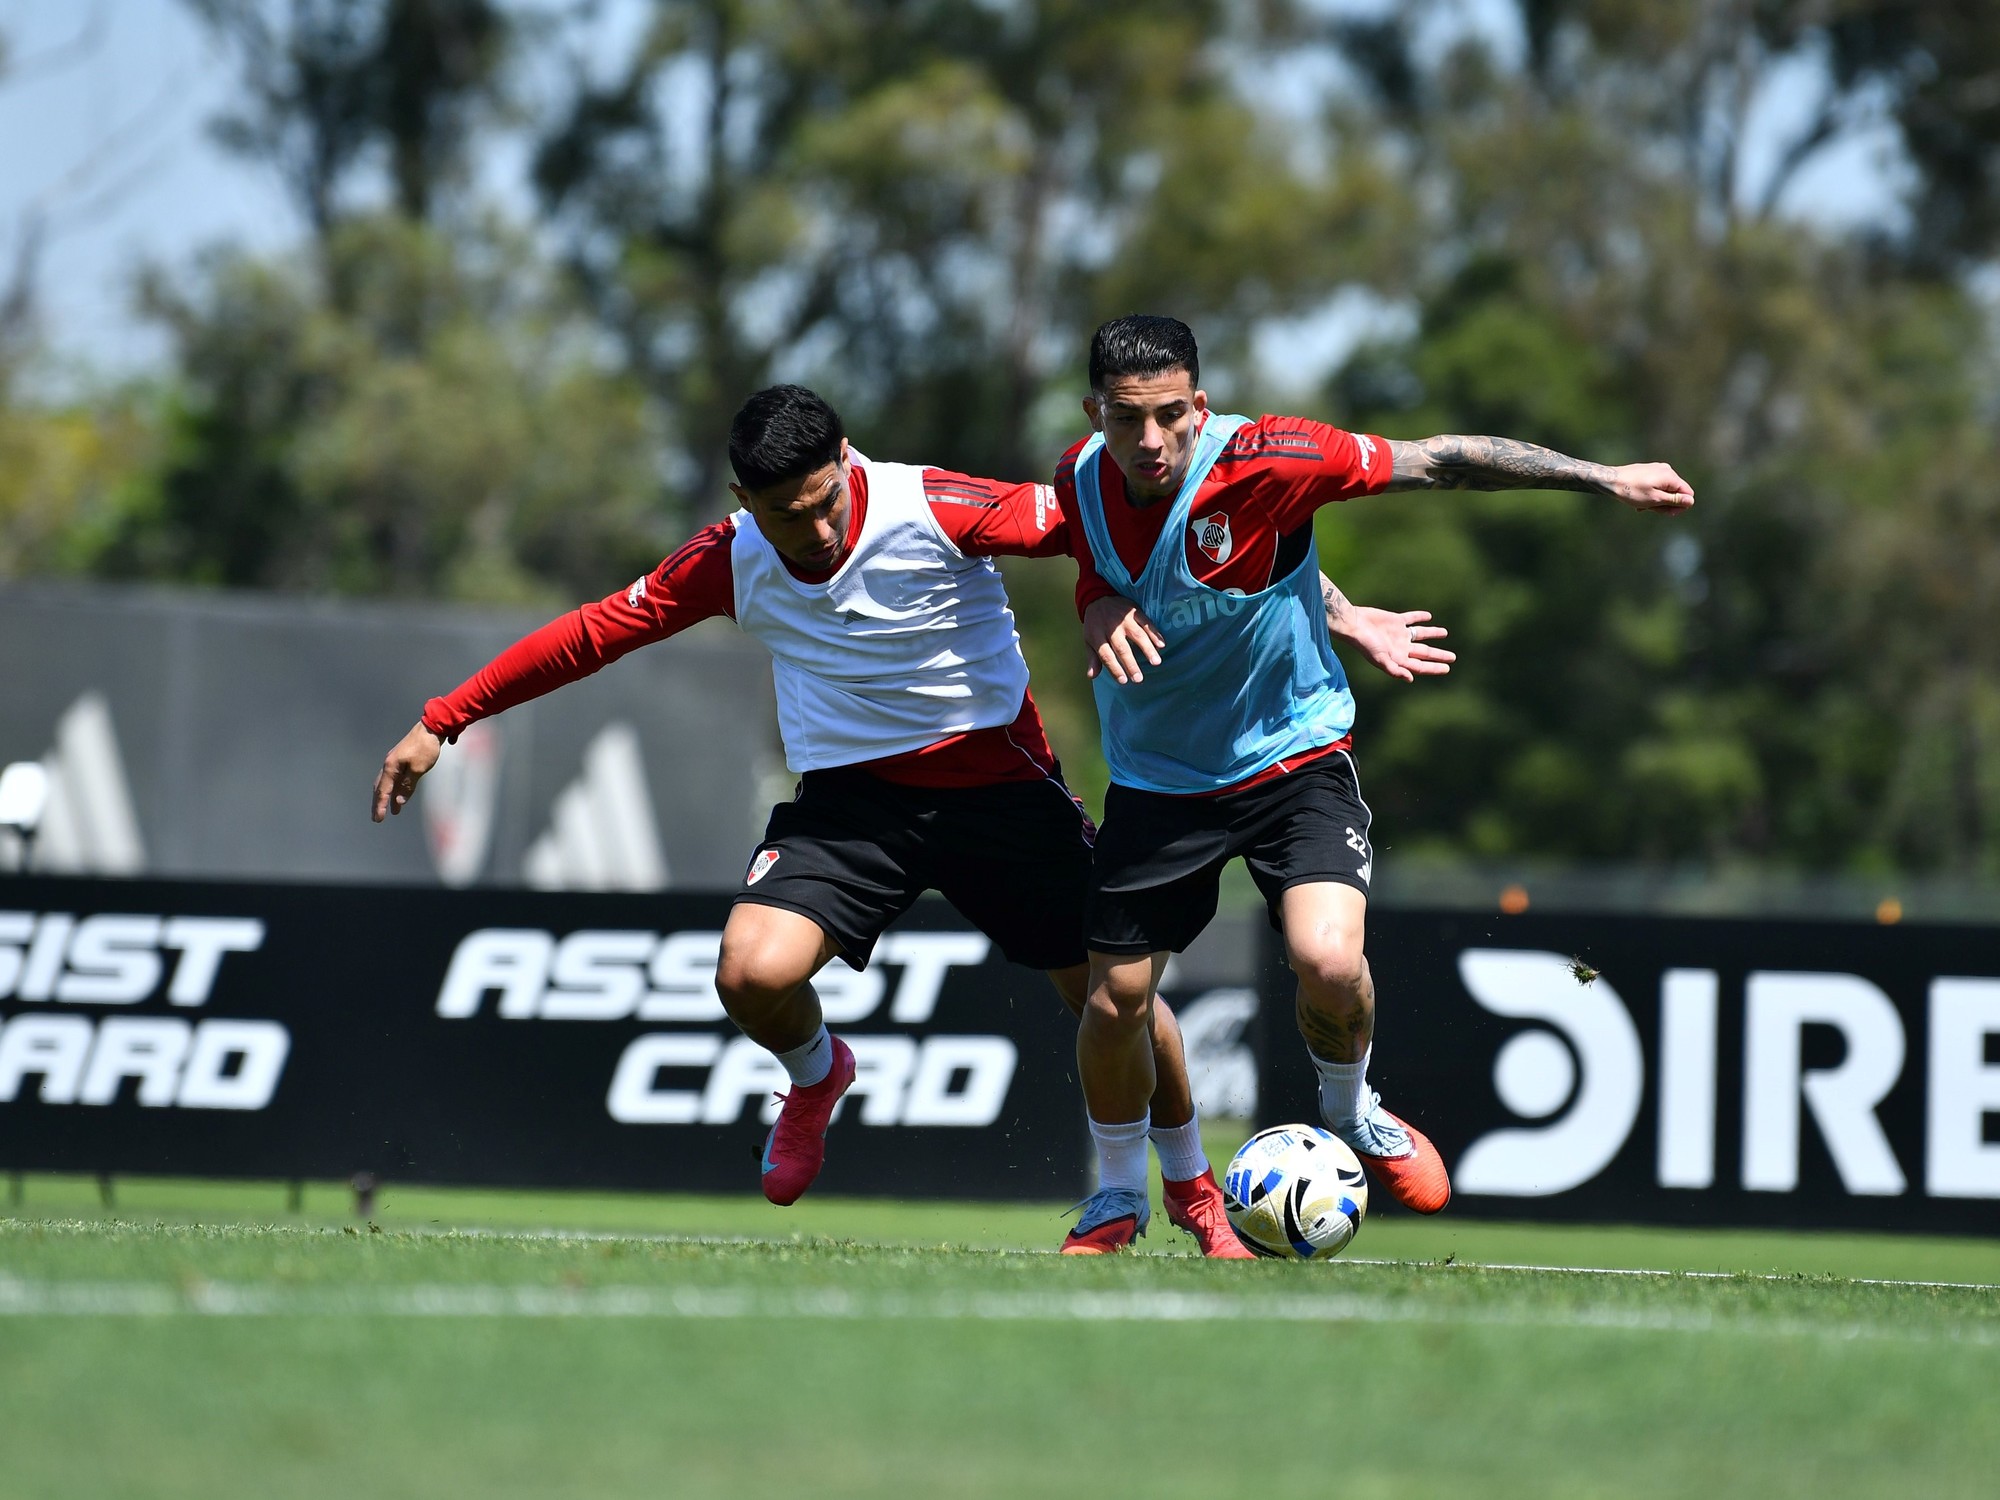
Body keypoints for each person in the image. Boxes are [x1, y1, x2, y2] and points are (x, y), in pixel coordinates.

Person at [372, 384, 1448, 1257]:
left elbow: (1165, 534)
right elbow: (591, 634)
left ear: (848, 460)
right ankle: (815, 1076)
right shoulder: (729, 559)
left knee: (1112, 994)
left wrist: (1336, 612)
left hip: (1000, 794)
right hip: (852, 809)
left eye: (825, 499)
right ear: (745, 501)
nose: (813, 528)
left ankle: (1191, 1197)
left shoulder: (936, 503)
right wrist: (443, 719)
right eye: (783, 513)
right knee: (748, 973)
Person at [1055, 314, 1693, 1253]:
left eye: (1168, 417)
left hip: (1296, 756)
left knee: (1327, 961)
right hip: (1161, 780)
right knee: (1113, 1000)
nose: (1149, 441)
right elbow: (1129, 564)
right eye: (1125, 419)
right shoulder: (1076, 481)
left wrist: (1600, 477)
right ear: (1094, 412)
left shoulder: (1274, 457)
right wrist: (1094, 599)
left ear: (1199, 405)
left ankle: (1353, 1111)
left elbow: (1439, 459)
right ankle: (1118, 1195)